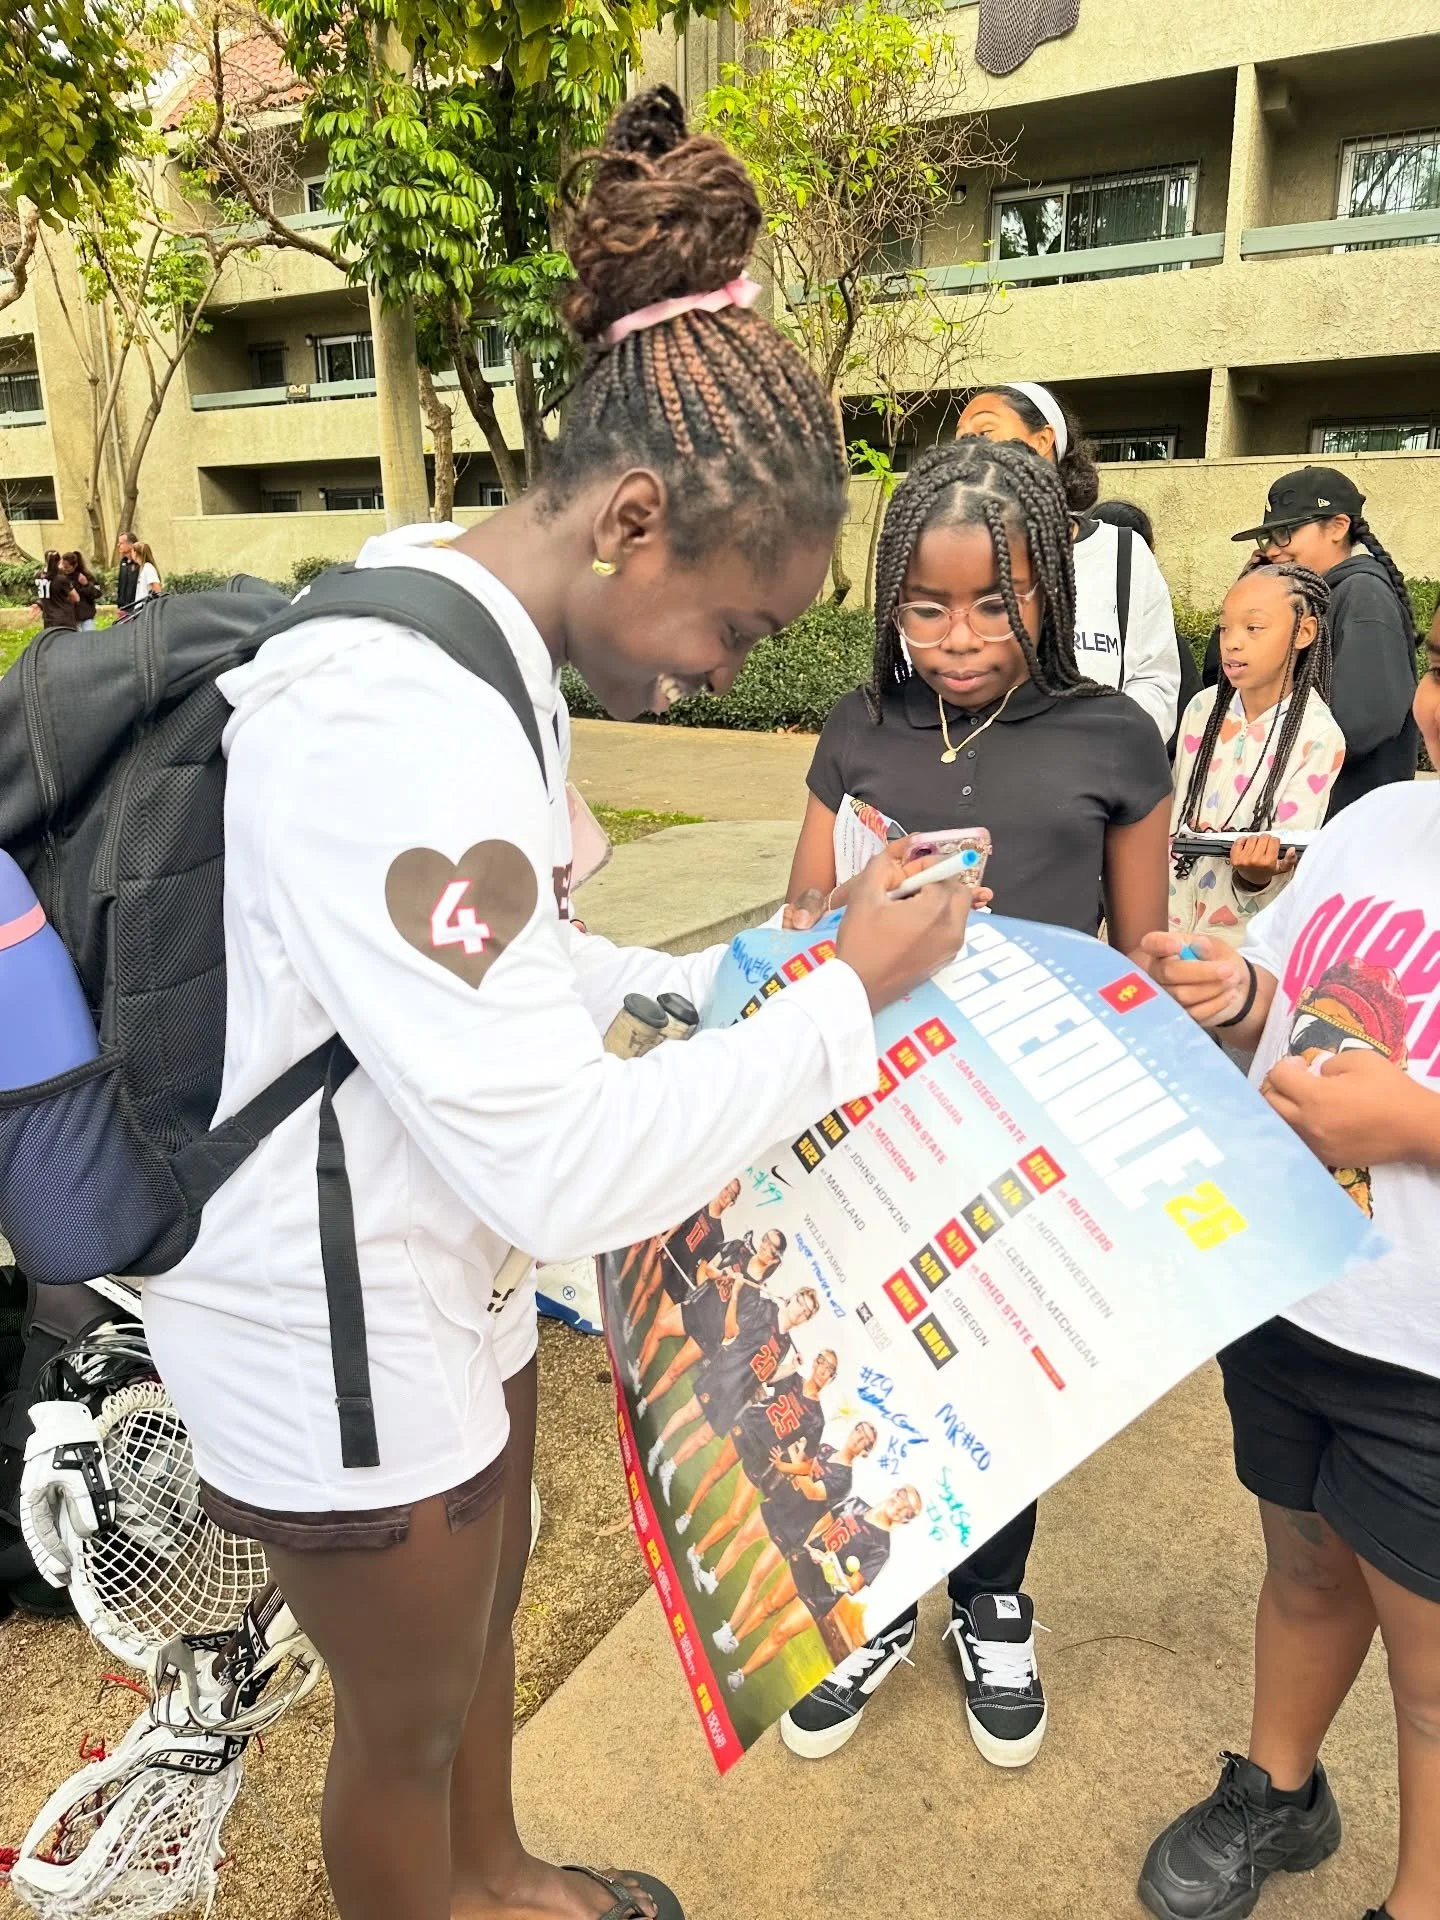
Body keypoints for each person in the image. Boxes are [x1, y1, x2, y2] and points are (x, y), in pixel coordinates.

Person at [138, 85, 976, 1920]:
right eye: (738, 631)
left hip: (434, 1253)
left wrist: (707, 980)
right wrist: (837, 1004)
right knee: (407, 1725)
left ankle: (500, 1880)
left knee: (490, 1626)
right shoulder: (391, 714)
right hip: (329, 1307)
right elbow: (561, 1173)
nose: (713, 686)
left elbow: (501, 947)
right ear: (635, 517)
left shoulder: (475, 643)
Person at [782, 437, 1173, 1765]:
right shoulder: (859, 727)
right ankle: (881, 1599)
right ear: (891, 598)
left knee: (1007, 1373)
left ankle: (992, 1596)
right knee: (875, 1364)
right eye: (926, 606)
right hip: (872, 1121)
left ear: (1048, 593)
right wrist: (870, 910)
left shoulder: (1114, 739)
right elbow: (798, 923)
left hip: (1030, 1127)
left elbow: (1140, 962)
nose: (957, 638)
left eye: (993, 604)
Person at [1135, 603, 1440, 1920]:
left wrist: (1416, 1125)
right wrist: (1235, 992)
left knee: (1431, 1683)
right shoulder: (1383, 821)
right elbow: (1290, 990)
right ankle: (1282, 1787)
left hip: (1427, 1358)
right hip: (1296, 1295)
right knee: (1307, 1568)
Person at [955, 383, 1184, 743]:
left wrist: (1098, 749)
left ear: (1043, 440)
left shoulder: (1122, 553)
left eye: (984, 431)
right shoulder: (950, 557)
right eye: (960, 438)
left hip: (1091, 782)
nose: (967, 448)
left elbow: (1157, 681)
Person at [1169, 565, 1343, 947]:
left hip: (1242, 944)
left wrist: (1254, 873)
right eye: (1225, 627)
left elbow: (1287, 852)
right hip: (1170, 922)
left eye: (1253, 628)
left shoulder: (1317, 734)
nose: (1231, 643)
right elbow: (1175, 808)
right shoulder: (1202, 709)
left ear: (1304, 633)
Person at [1231, 467, 1417, 816]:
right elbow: (1226, 678)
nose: (1273, 549)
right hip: (1306, 814)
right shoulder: (1306, 598)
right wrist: (1249, 599)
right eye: (1269, 536)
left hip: (1349, 818)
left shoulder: (1363, 594)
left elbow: (1361, 722)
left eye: (1286, 532)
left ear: (1337, 527)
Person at [717, 1487, 924, 1694]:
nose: (901, 1507)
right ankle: (734, 1640)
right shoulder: (856, 1503)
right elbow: (825, 1523)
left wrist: (830, 1565)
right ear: (894, 1493)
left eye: (909, 1511)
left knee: (781, 1632)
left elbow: (853, 1586)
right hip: (806, 1563)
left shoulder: (882, 1548)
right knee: (769, 1604)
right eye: (903, 1498)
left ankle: (741, 1674)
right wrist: (806, 1546)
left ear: (906, 1520)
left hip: (823, 1593)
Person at [27, 551, 78, 632]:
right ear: (59, 562)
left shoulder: (39, 576)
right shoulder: (61, 578)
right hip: (64, 617)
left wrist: (40, 603)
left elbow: (46, 594)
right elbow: (76, 598)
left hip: (48, 618)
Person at [61, 551, 99, 630]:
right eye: (63, 567)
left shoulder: (86, 577)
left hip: (86, 616)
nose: (64, 569)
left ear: (75, 565)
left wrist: (86, 584)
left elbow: (96, 594)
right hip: (71, 617)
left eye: (67, 567)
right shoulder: (62, 578)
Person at [115, 531, 140, 617]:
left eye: (121, 543)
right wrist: (119, 606)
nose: (119, 545)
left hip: (137, 608)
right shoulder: (123, 562)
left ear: (130, 545)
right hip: (123, 609)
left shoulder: (140, 564)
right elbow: (121, 585)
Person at [130, 540, 162, 605]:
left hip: (145, 609)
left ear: (135, 553)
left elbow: (157, 589)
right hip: (140, 608)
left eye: (132, 551)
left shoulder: (148, 567)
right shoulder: (143, 568)